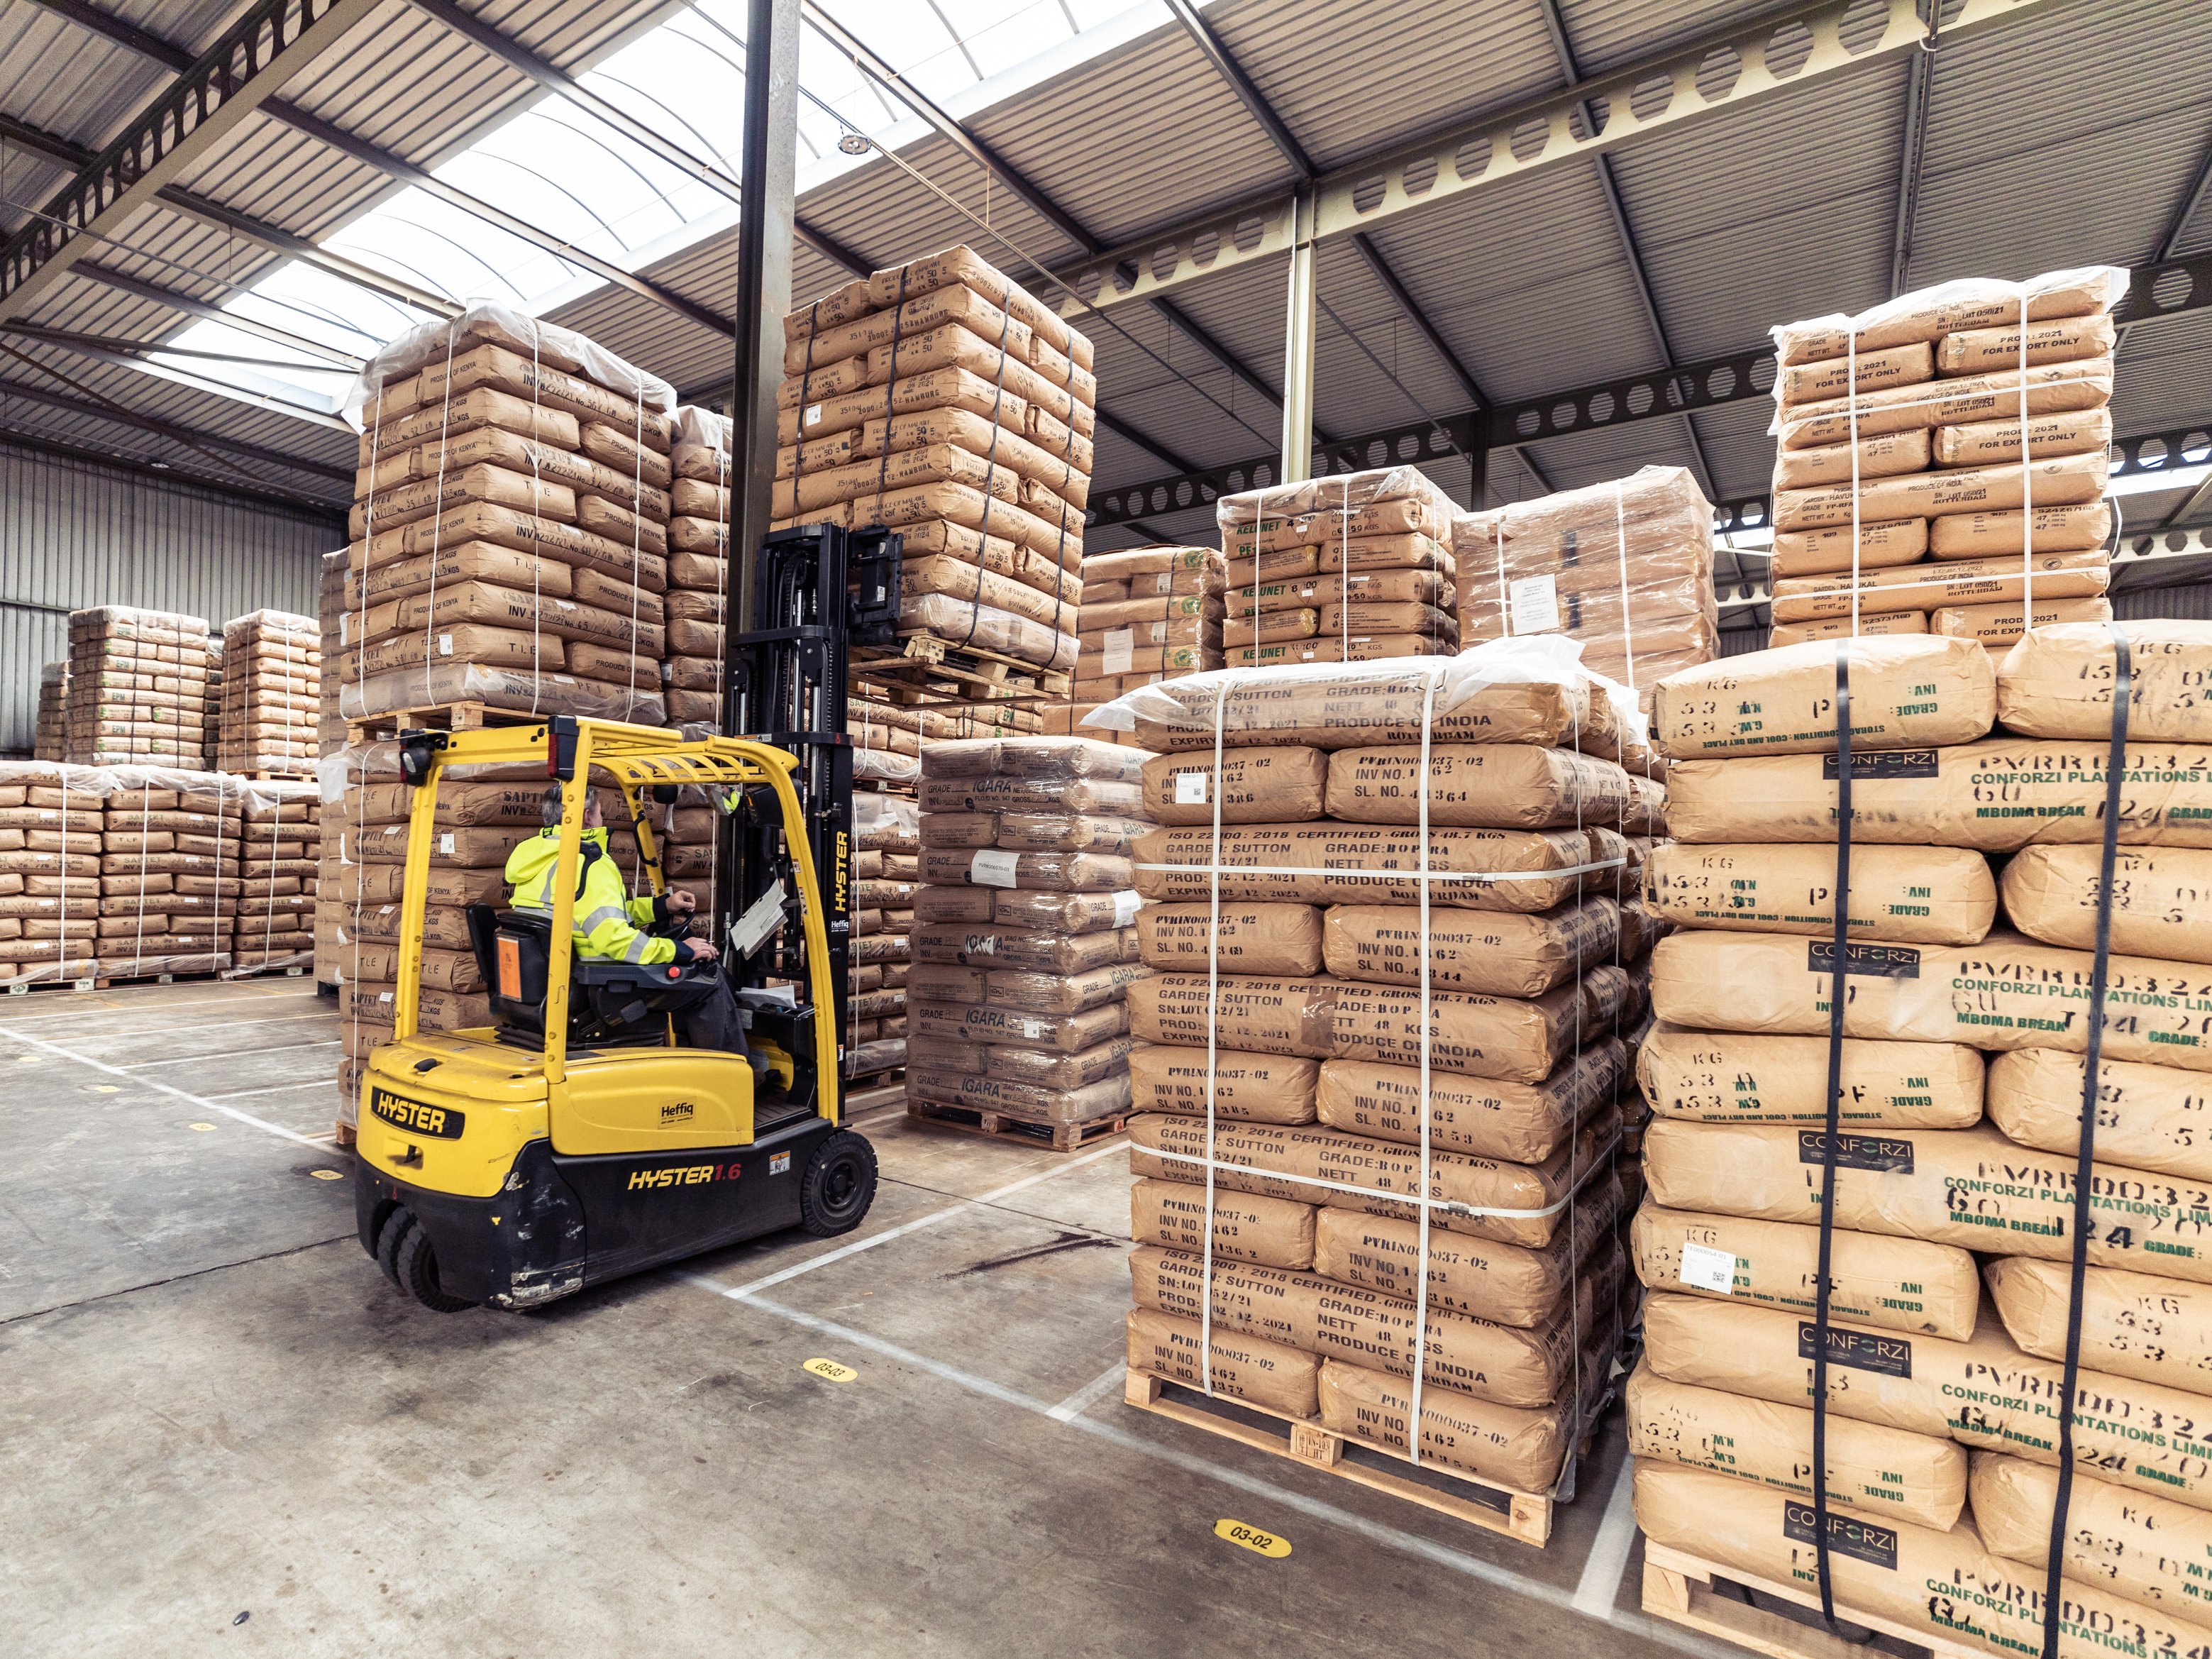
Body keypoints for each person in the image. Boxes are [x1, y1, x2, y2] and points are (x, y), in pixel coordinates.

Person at [505, 785, 749, 1058]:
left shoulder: (535, 857)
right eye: (600, 813)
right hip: (602, 983)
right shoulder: (590, 863)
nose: (602, 818)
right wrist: (681, 950)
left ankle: (686, 1066)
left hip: (558, 981)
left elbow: (590, 914)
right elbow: (614, 939)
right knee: (708, 980)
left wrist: (661, 906)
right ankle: (732, 1075)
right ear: (587, 817)